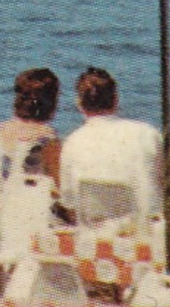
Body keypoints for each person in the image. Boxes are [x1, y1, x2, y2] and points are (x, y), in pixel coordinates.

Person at [57, 68, 163, 231]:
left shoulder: (72, 142)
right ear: (116, 100)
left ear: (79, 104)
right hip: (146, 234)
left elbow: (68, 201)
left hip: (96, 238)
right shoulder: (147, 133)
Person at [0, 68, 59, 178]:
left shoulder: (0, 130)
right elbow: (58, 182)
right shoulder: (47, 137)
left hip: (0, 193)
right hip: (27, 194)